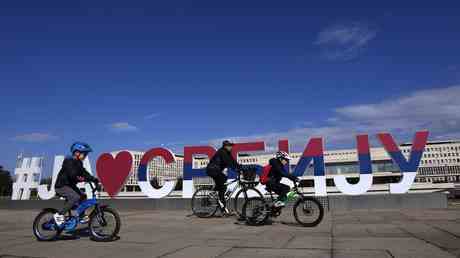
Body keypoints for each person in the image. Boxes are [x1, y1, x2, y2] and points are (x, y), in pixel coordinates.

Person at [53, 142, 99, 226]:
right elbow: (72, 174)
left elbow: (84, 172)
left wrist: (94, 179)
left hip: (70, 186)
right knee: (75, 197)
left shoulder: (79, 163)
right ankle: (59, 215)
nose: (85, 156)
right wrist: (80, 178)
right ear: (77, 153)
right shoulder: (69, 161)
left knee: (83, 196)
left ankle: (80, 216)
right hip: (61, 186)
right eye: (84, 154)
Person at [206, 140, 242, 214]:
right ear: (226, 146)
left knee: (223, 185)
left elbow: (233, 161)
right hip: (213, 170)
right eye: (230, 146)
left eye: (231, 146)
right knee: (222, 185)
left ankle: (222, 205)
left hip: (217, 171)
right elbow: (227, 162)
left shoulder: (227, 153)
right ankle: (220, 201)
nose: (231, 147)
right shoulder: (222, 152)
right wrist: (235, 169)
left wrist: (239, 167)